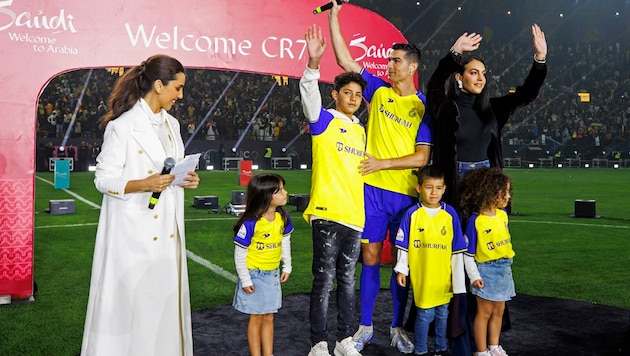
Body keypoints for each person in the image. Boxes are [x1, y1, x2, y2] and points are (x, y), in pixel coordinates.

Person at [426, 25, 547, 355]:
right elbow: (434, 83)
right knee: (456, 262)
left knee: (488, 259)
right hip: (455, 189)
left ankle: (488, 340)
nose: (479, 77)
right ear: (461, 77)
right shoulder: (445, 107)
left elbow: (526, 94)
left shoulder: (492, 108)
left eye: (483, 73)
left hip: (487, 193)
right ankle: (455, 332)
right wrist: (454, 54)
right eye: (473, 71)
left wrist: (540, 58)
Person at [328, 2, 432, 353]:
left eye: (395, 61)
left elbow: (422, 157)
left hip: (405, 195)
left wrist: (382, 163)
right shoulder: (379, 92)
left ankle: (397, 327)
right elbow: (346, 62)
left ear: (412, 67)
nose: (388, 65)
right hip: (371, 192)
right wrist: (334, 18)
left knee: (401, 264)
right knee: (369, 258)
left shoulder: (423, 106)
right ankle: (366, 326)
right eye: (388, 60)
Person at [81, 54, 200, 356]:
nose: (181, 96)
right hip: (133, 235)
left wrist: (183, 178)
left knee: (163, 305)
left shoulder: (172, 124)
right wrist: (142, 184)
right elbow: (103, 179)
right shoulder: (122, 126)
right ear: (159, 85)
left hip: (168, 230)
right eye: (178, 88)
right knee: (134, 308)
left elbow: (168, 170)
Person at [300, 24, 366, 356]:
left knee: (347, 284)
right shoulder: (323, 120)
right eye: (347, 93)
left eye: (357, 94)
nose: (353, 99)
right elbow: (308, 92)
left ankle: (344, 341)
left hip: (355, 216)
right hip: (327, 213)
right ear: (335, 95)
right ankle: (318, 343)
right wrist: (314, 63)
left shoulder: (361, 131)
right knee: (324, 283)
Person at [394, 166, 467, 356]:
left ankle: (441, 349)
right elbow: (403, 247)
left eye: (438, 187)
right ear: (419, 188)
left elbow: (457, 249)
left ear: (444, 189)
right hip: (423, 276)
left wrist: (458, 277)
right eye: (429, 187)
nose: (433, 192)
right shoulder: (412, 214)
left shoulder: (450, 214)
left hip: (444, 276)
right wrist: (402, 269)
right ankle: (421, 350)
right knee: (425, 314)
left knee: (443, 313)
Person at [232, 173, 293, 356]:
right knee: (256, 317)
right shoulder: (251, 223)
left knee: (269, 316)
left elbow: (286, 243)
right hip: (254, 276)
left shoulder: (283, 217)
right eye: (279, 190)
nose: (285, 193)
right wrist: (245, 279)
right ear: (266, 196)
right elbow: (240, 253)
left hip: (272, 275)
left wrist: (287, 266)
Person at [459, 167, 514, 356]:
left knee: (499, 311)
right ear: (489, 193)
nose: (507, 196)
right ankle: (481, 351)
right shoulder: (475, 221)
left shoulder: (503, 216)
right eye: (503, 192)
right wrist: (474, 276)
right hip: (486, 270)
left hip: (504, 269)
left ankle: (494, 346)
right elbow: (468, 254)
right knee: (484, 313)